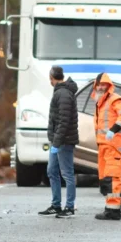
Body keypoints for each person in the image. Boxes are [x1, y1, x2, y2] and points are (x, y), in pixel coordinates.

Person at [39, 66, 78, 217]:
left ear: (51, 77)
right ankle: (56, 205)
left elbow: (63, 121)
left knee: (67, 174)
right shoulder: (61, 91)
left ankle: (69, 207)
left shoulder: (62, 93)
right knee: (52, 171)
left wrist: (56, 143)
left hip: (63, 141)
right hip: (58, 140)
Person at [93, 72, 121, 221]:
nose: (101, 87)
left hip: (113, 146)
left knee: (113, 179)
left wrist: (113, 130)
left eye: (104, 84)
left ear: (109, 86)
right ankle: (110, 208)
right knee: (106, 180)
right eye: (99, 84)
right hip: (103, 146)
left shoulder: (114, 100)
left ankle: (114, 210)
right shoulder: (100, 102)